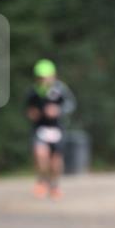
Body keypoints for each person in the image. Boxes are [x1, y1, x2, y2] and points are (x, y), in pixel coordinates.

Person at [25, 59, 76, 199]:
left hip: (57, 129)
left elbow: (71, 105)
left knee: (55, 161)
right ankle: (42, 181)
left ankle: (54, 185)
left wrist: (58, 110)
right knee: (41, 155)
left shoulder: (60, 89)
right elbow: (28, 109)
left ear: (53, 75)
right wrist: (32, 113)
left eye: (45, 76)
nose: (43, 79)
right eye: (40, 77)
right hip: (40, 128)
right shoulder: (34, 91)